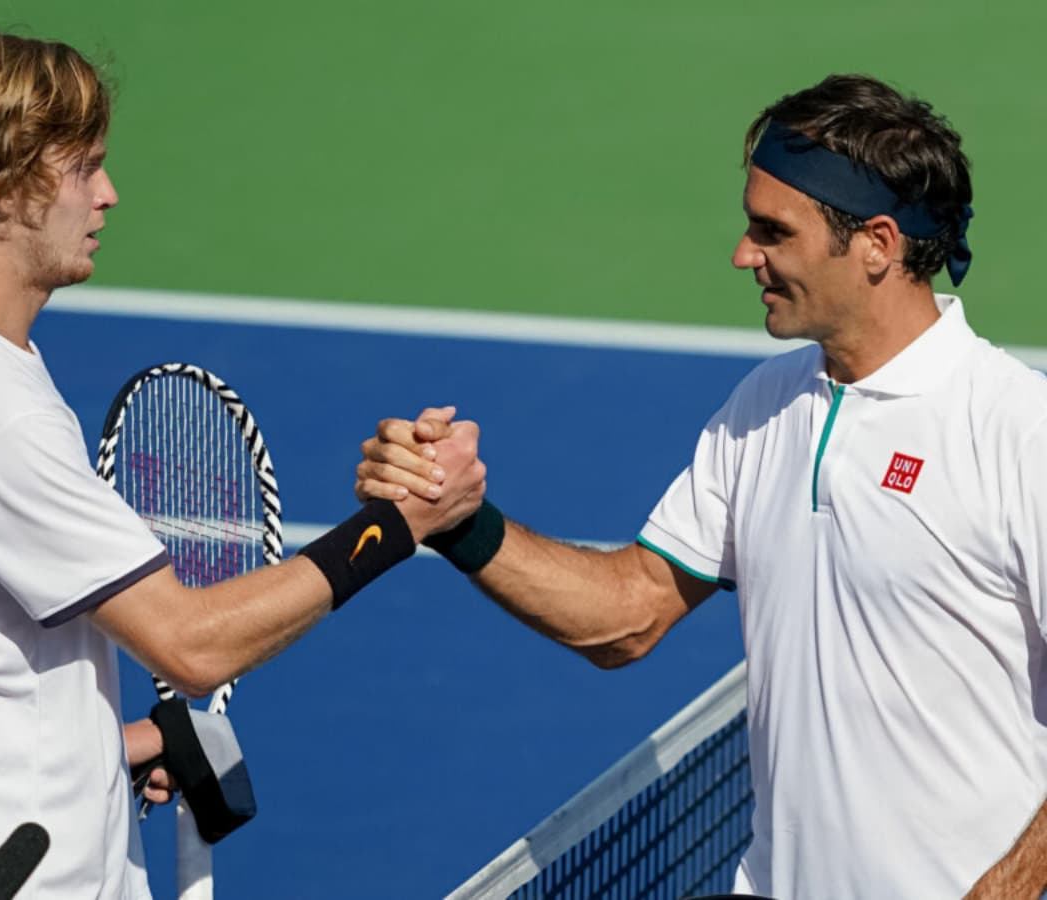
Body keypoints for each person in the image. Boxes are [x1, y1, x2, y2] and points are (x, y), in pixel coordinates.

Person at [357, 74, 1047, 899]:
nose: (741, 253)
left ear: (877, 244)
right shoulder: (763, 408)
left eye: (773, 231)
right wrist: (462, 522)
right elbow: (628, 613)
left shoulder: (1018, 433)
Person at [0, 30, 485, 898]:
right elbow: (190, 645)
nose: (108, 195)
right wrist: (394, 526)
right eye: (84, 168)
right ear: (4, 189)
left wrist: (139, 743)